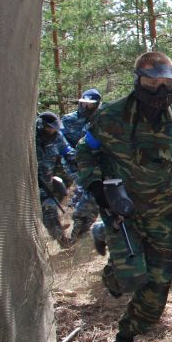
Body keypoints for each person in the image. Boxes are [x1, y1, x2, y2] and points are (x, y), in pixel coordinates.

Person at [76, 52, 172, 342]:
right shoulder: (110, 117)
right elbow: (85, 151)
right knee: (129, 278)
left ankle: (127, 334)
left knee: (157, 286)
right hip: (122, 211)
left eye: (165, 83)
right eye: (151, 82)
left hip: (163, 214)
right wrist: (96, 188)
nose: (159, 90)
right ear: (138, 82)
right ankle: (112, 261)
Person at [61, 89, 102, 240]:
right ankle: (77, 227)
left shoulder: (101, 119)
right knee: (87, 191)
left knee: (93, 194)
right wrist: (71, 154)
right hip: (73, 164)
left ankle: (80, 228)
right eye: (84, 103)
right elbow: (61, 141)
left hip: (94, 164)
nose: (86, 107)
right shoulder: (68, 119)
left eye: (90, 105)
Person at [35, 110, 78, 246]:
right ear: (42, 126)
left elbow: (66, 150)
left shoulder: (57, 136)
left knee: (51, 205)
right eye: (50, 128)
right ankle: (61, 238)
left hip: (50, 178)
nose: (53, 131)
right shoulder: (31, 138)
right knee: (48, 208)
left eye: (55, 128)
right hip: (33, 181)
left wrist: (77, 160)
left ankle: (60, 236)